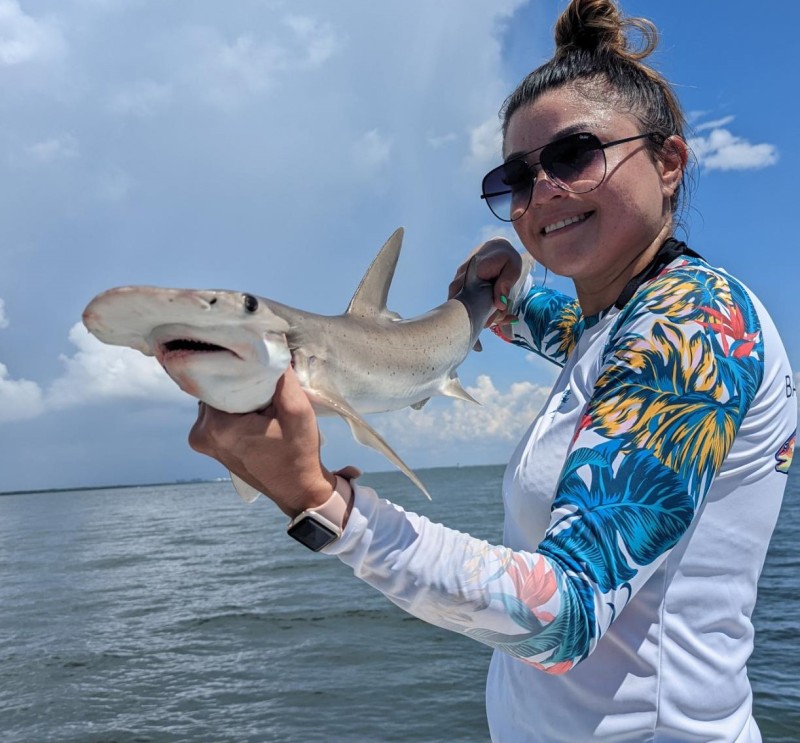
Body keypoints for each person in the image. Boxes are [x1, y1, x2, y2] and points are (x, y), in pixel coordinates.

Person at [189, 0, 797, 740]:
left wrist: (321, 503)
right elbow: (574, 335)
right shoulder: (618, 325)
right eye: (515, 179)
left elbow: (564, 614)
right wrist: (494, 296)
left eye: (576, 155)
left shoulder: (695, 325)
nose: (542, 193)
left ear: (668, 163)